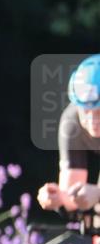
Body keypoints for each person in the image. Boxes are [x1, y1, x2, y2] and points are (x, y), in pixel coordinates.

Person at [38, 54, 100, 213]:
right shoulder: (71, 121)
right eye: (86, 110)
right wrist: (58, 198)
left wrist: (98, 194)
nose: (93, 119)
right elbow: (72, 199)